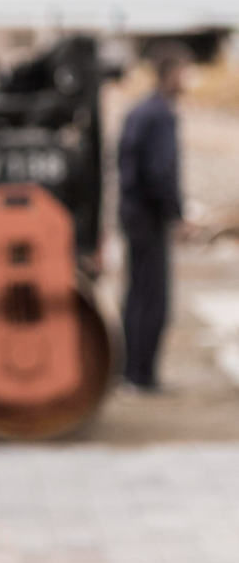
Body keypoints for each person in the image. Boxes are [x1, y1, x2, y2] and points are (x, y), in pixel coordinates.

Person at [117, 46, 190, 393]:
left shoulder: (140, 111)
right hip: (148, 216)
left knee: (137, 293)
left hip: (133, 212)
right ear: (170, 73)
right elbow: (160, 170)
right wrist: (175, 213)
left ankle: (131, 370)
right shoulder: (161, 114)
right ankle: (141, 375)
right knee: (153, 298)